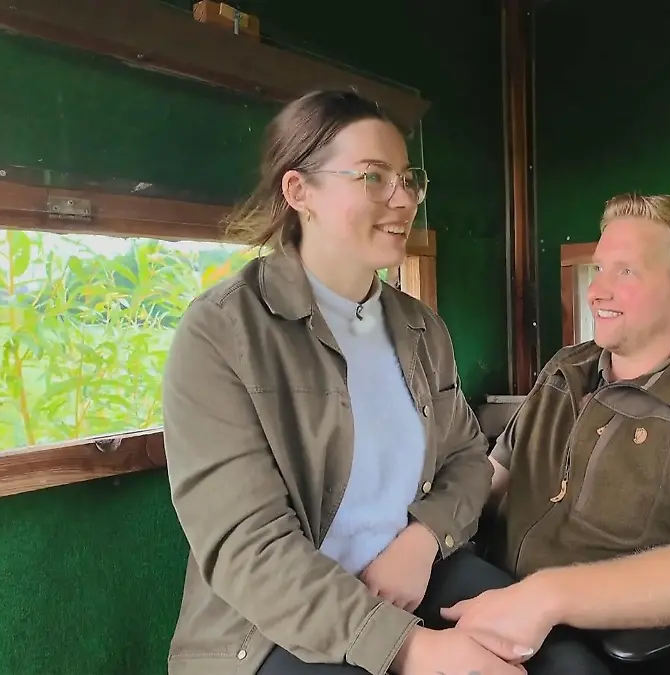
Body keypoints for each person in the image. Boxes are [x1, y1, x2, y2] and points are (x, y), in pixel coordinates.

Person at [161, 90, 546, 675]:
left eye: (408, 179)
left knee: (563, 658)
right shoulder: (222, 332)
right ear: (299, 193)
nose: (403, 199)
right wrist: (412, 649)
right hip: (278, 623)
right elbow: (249, 547)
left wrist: (421, 542)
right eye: (373, 177)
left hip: (415, 573)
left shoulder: (421, 328)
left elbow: (468, 461)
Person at [445, 193, 670, 662]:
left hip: (590, 646)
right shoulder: (565, 370)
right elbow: (487, 481)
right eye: (599, 267)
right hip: (490, 602)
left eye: (625, 271)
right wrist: (421, 536)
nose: (596, 291)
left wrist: (550, 596)